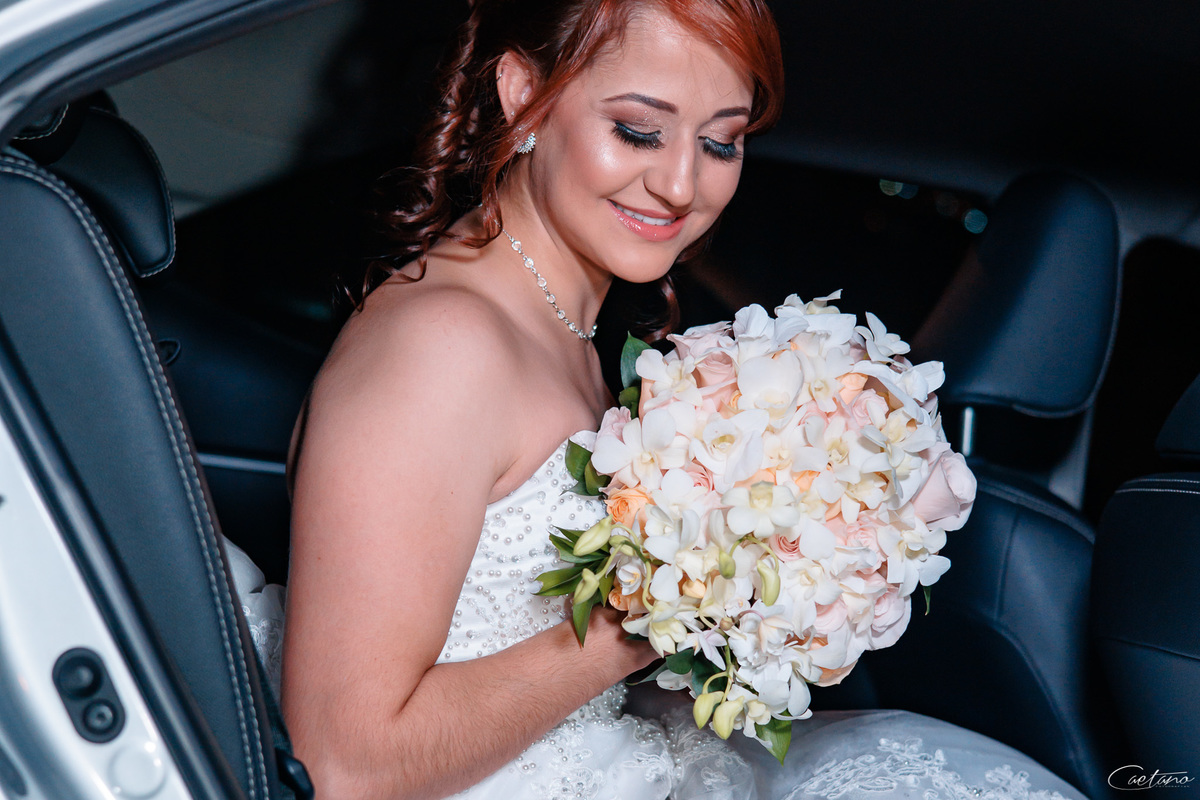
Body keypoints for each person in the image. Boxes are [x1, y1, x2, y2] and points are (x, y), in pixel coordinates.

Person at [224, 0, 1092, 797]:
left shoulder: (555, 327)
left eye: (720, 143)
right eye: (639, 131)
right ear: (523, 95)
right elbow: (344, 763)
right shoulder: (443, 346)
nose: (681, 185)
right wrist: (658, 609)